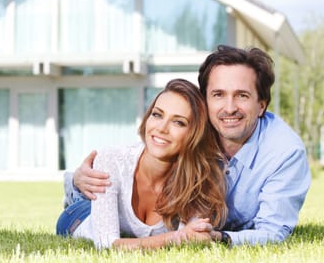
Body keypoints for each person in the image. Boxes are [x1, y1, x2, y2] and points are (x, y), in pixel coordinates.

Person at [68, 45, 311, 246]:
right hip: (99, 209)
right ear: (204, 101)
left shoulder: (285, 153)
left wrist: (219, 237)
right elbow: (141, 155)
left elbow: (274, 232)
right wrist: (78, 179)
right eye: (218, 94)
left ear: (262, 105)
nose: (229, 108)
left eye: (242, 95)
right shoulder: (198, 129)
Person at [56, 79, 227, 250]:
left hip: (120, 218)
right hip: (82, 215)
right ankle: (75, 189)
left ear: (195, 135)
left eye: (178, 122)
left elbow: (191, 237)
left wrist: (189, 236)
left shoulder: (201, 178)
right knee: (94, 201)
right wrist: (175, 238)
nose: (161, 128)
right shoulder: (112, 159)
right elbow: (106, 244)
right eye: (157, 114)